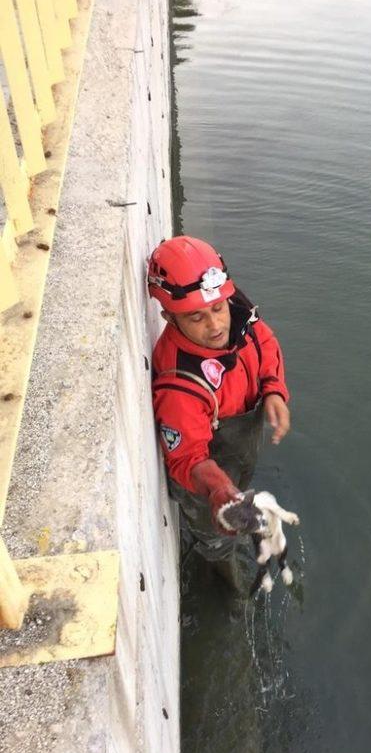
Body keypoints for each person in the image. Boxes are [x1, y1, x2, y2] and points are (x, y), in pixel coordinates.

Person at [148, 235, 291, 590]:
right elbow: (187, 459)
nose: (214, 326)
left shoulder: (234, 308)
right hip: (207, 482)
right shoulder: (181, 382)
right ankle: (224, 579)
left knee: (236, 508)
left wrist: (274, 389)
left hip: (238, 457)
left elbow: (265, 340)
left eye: (217, 309)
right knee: (214, 540)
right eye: (195, 317)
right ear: (168, 315)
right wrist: (219, 491)